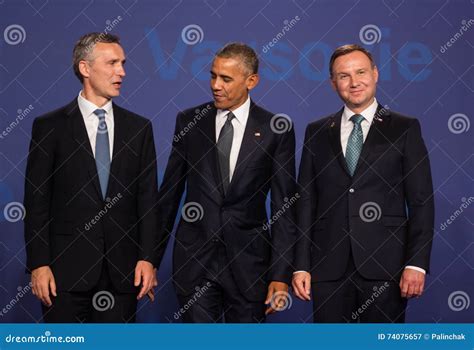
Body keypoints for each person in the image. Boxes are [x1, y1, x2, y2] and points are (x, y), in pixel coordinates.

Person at [292, 44, 434, 323]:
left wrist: (416, 263)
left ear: (376, 74)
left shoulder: (404, 128)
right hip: (328, 268)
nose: (354, 82)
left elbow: (421, 201)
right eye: (343, 76)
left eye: (361, 72)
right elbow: (306, 201)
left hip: (386, 267)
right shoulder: (317, 131)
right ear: (333, 83)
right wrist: (300, 266)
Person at [156, 43, 296, 322]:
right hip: (195, 263)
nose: (216, 85)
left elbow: (284, 206)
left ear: (251, 81)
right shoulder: (189, 121)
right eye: (213, 76)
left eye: (226, 79)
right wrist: (149, 259)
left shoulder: (275, 129)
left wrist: (280, 275)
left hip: (249, 266)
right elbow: (168, 196)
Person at [24, 33, 159, 323]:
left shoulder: (139, 129)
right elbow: (36, 202)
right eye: (112, 63)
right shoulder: (49, 127)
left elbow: (148, 200)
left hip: (122, 275)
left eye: (122, 63)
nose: (121, 71)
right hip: (63, 275)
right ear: (85, 69)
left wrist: (148, 258)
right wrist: (39, 264)